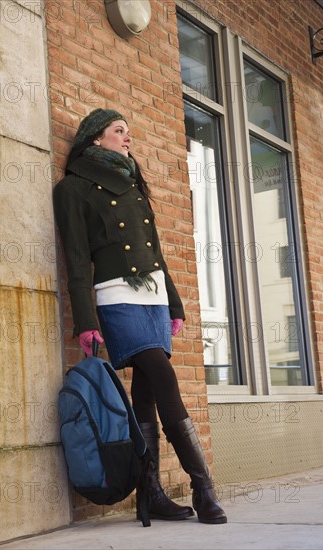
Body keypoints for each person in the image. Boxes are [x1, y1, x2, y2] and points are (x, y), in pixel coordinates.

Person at [53, 108, 227, 524]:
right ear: (96, 138)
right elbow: (76, 260)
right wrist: (86, 320)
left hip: (152, 300)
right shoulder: (73, 190)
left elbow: (156, 253)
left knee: (147, 393)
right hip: (116, 298)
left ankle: (151, 494)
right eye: (119, 131)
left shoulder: (133, 182)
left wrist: (174, 302)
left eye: (128, 132)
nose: (127, 138)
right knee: (164, 377)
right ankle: (204, 488)